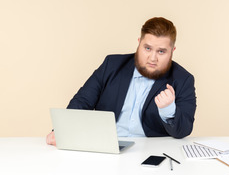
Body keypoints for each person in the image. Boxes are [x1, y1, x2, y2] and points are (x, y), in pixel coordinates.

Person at [46, 17, 196, 146]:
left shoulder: (183, 79)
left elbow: (183, 130)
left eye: (161, 51)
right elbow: (83, 101)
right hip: (105, 146)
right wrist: (62, 131)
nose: (152, 58)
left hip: (150, 151)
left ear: (172, 51)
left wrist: (169, 109)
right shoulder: (111, 65)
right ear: (139, 43)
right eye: (147, 48)